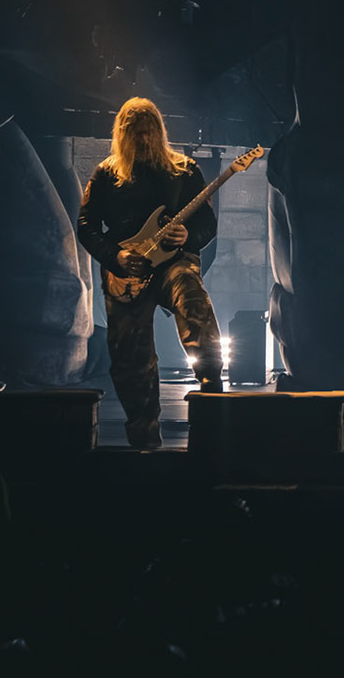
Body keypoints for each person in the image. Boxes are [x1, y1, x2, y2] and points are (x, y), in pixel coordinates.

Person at [77, 97, 224, 449]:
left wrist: (189, 236)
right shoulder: (106, 174)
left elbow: (207, 222)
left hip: (174, 263)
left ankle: (212, 395)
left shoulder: (184, 170)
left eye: (148, 132)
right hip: (126, 271)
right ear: (123, 135)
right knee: (130, 359)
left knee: (193, 300)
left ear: (159, 132)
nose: (143, 139)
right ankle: (143, 441)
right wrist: (115, 256)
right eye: (136, 133)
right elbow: (86, 226)